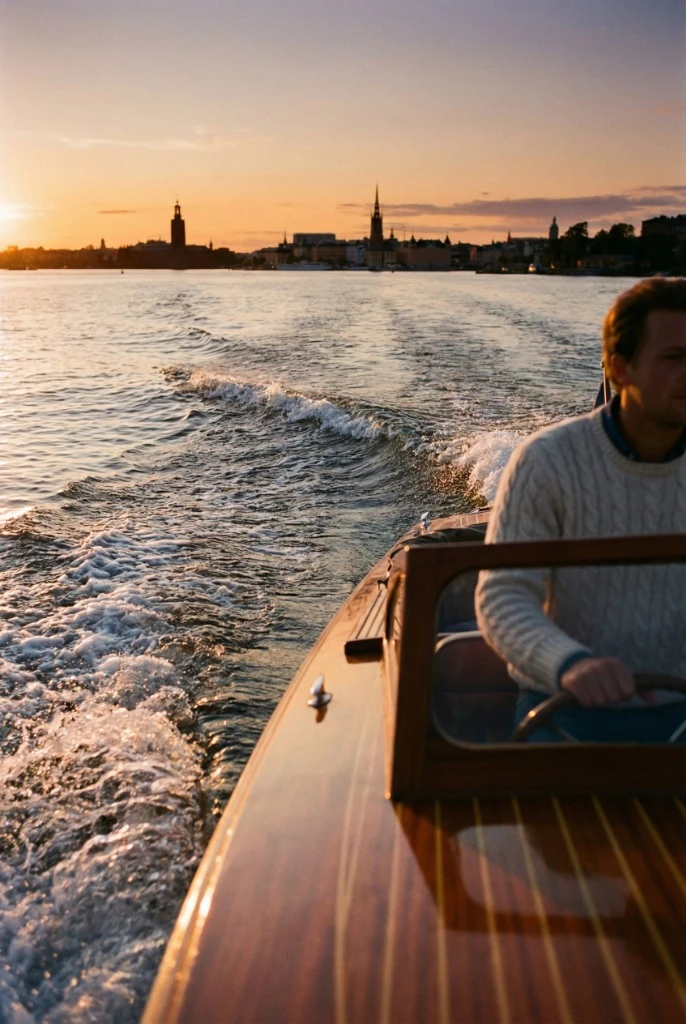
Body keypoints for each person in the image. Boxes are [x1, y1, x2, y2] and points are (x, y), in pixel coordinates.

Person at [475, 276, 686, 742]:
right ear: (620, 368)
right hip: (566, 714)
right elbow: (503, 597)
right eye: (675, 359)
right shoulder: (547, 460)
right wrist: (570, 664)